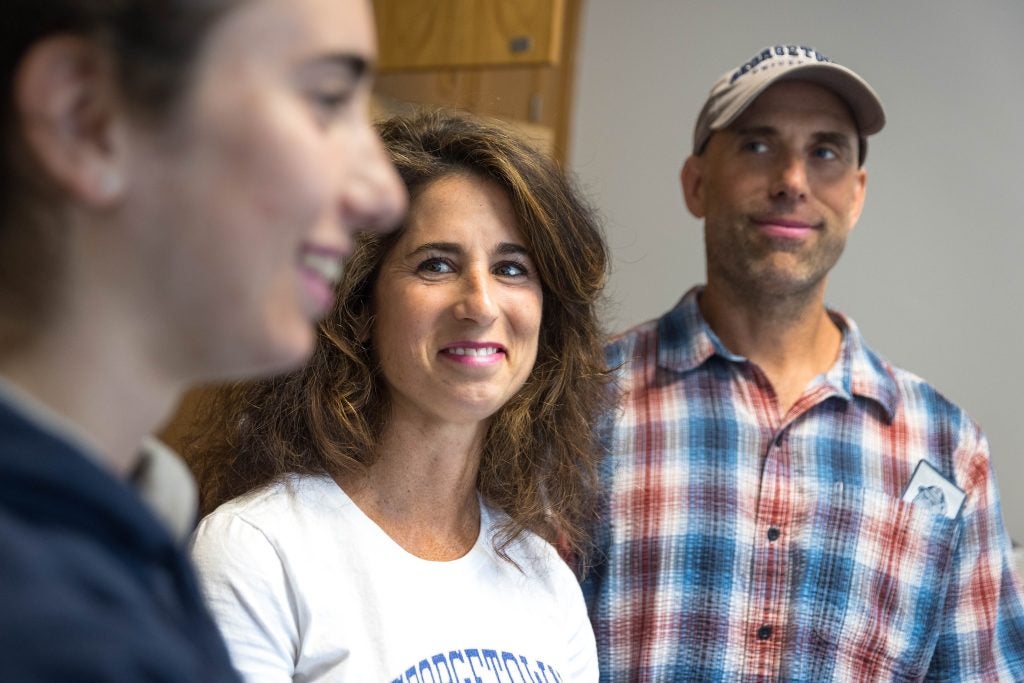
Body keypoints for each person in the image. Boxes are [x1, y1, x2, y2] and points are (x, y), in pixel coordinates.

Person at [583, 44, 1024, 681]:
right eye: (757, 145)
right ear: (697, 183)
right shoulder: (584, 402)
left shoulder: (948, 449)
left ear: (856, 195)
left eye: (825, 152)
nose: (793, 179)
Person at [0, 1, 405, 680]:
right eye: (327, 100)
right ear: (87, 120)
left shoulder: (128, 539)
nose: (383, 194)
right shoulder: (44, 625)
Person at [187, 110, 610, 682]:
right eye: (436, 265)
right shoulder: (259, 551)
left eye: (512, 268)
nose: (481, 304)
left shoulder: (545, 580)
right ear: (359, 305)